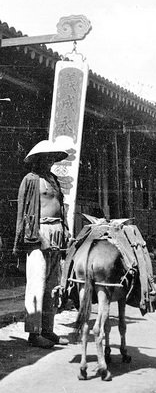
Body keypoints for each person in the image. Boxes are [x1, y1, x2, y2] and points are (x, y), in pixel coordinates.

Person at [13, 137, 74, 348]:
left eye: (52, 158)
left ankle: (47, 328)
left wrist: (65, 231)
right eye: (46, 158)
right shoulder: (30, 180)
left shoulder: (54, 180)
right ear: (37, 159)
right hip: (38, 234)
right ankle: (34, 332)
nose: (49, 161)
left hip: (57, 232)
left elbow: (61, 207)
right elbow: (25, 213)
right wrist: (38, 237)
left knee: (52, 285)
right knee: (36, 283)